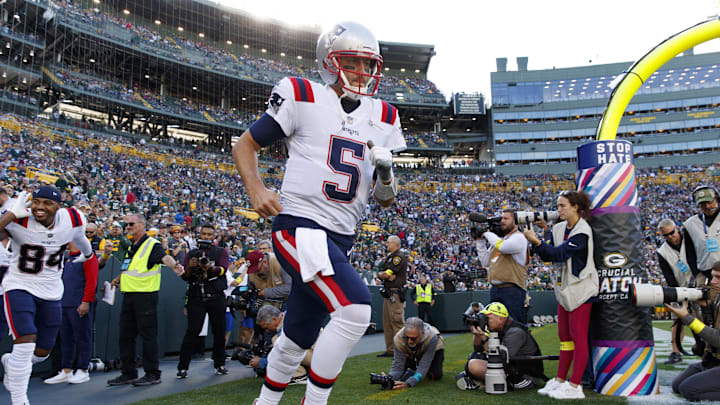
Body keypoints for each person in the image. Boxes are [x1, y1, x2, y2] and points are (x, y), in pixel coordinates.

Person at [232, 21, 405, 405]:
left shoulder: (386, 116)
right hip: (301, 226)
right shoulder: (302, 94)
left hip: (340, 238)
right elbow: (245, 144)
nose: (362, 72)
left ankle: (265, 402)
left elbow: (385, 199)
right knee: (356, 310)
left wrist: (386, 172)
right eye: (352, 62)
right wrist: (257, 188)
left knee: (298, 335)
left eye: (368, 64)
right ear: (329, 62)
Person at [0, 187, 94, 405]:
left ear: (58, 207)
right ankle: (19, 399)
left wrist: (88, 254)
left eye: (47, 203)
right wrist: (10, 214)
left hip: (51, 290)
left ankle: (12, 364)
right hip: (19, 284)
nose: (40, 208)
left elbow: (80, 237)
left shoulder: (72, 217)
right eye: (36, 202)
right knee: (25, 340)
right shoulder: (18, 217)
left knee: (43, 351)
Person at [523, 190, 598, 400]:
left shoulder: (583, 231)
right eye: (557, 206)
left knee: (578, 336)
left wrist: (537, 241)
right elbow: (550, 253)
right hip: (565, 289)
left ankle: (575, 386)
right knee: (564, 337)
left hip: (582, 289)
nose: (558, 210)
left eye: (562, 206)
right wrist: (544, 232)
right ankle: (560, 380)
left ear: (576, 207)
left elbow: (559, 254)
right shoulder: (561, 228)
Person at [107, 213, 184, 387]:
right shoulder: (132, 246)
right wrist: (118, 279)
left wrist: (175, 266)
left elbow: (165, 258)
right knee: (125, 337)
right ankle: (128, 373)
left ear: (142, 225)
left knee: (148, 336)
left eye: (131, 224)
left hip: (145, 296)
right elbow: (129, 268)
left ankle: (153, 373)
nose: (127, 227)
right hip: (129, 295)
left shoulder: (152, 244)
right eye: (125, 225)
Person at [176, 224, 230, 378]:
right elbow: (184, 276)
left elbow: (223, 269)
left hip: (216, 296)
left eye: (209, 234)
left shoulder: (220, 251)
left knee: (219, 332)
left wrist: (208, 268)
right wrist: (191, 267)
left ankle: (219, 364)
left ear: (214, 236)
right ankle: (182, 367)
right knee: (192, 331)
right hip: (196, 296)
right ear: (199, 234)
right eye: (203, 234)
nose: (206, 237)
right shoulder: (192, 253)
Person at [43, 241, 99, 385]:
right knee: (65, 339)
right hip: (64, 303)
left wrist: (86, 301)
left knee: (82, 336)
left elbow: (92, 281)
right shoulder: (67, 258)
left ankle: (83, 370)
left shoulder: (88, 257)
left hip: (79, 303)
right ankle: (66, 370)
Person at [460, 302, 545, 392]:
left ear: (500, 318)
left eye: (487, 318)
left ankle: (482, 382)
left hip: (525, 377)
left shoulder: (515, 331)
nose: (485, 321)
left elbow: (499, 359)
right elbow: (478, 349)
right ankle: (481, 381)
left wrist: (483, 337)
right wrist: (477, 334)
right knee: (475, 356)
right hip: (513, 369)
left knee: (474, 365)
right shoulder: (499, 329)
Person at [668, 261, 720, 402]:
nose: (713, 282)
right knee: (677, 385)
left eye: (718, 278)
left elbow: (717, 339)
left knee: (689, 390)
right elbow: (712, 327)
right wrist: (704, 308)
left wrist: (687, 318)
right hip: (714, 359)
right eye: (713, 276)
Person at [477, 209, 530, 324]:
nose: (502, 221)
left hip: (512, 290)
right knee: (495, 328)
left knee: (515, 326)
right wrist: (479, 241)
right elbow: (485, 262)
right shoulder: (499, 240)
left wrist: (487, 233)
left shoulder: (519, 237)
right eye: (502, 218)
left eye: (506, 218)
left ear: (516, 221)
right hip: (495, 290)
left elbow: (503, 248)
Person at [248, 305, 313, 385]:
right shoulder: (288, 317)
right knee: (278, 343)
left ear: (274, 319)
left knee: (280, 343)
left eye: (266, 327)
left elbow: (283, 352)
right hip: (316, 353)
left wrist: (262, 362)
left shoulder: (287, 324)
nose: (267, 331)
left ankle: (299, 375)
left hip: (318, 357)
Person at [656, 218, 692, 364]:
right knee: (677, 320)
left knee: (705, 318)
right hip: (679, 286)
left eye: (671, 233)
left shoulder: (689, 239)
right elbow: (668, 275)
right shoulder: (662, 252)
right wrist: (678, 294)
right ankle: (675, 351)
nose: (670, 237)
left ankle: (709, 349)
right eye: (666, 235)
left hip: (697, 281)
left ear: (676, 228)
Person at [383, 317, 444, 389]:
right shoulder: (398, 338)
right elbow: (398, 367)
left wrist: (409, 383)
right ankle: (415, 372)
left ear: (422, 333)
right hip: (409, 351)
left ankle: (420, 374)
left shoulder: (432, 337)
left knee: (436, 374)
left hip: (434, 348)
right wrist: (389, 378)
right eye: (406, 337)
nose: (409, 341)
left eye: (413, 338)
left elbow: (424, 364)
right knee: (403, 373)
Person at [684, 185, 720, 289]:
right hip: (706, 275)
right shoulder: (690, 224)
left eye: (710, 202)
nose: (707, 206)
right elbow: (690, 255)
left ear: (716, 199)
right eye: (703, 204)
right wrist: (698, 275)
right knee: (710, 304)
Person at [378, 235, 408, 357]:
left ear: (395, 244)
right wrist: (383, 274)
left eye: (388, 242)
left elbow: (386, 274)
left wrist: (383, 275)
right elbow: (384, 272)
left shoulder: (398, 257)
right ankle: (390, 350)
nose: (386, 244)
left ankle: (401, 351)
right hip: (388, 293)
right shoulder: (390, 257)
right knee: (387, 323)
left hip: (395, 294)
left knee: (397, 323)